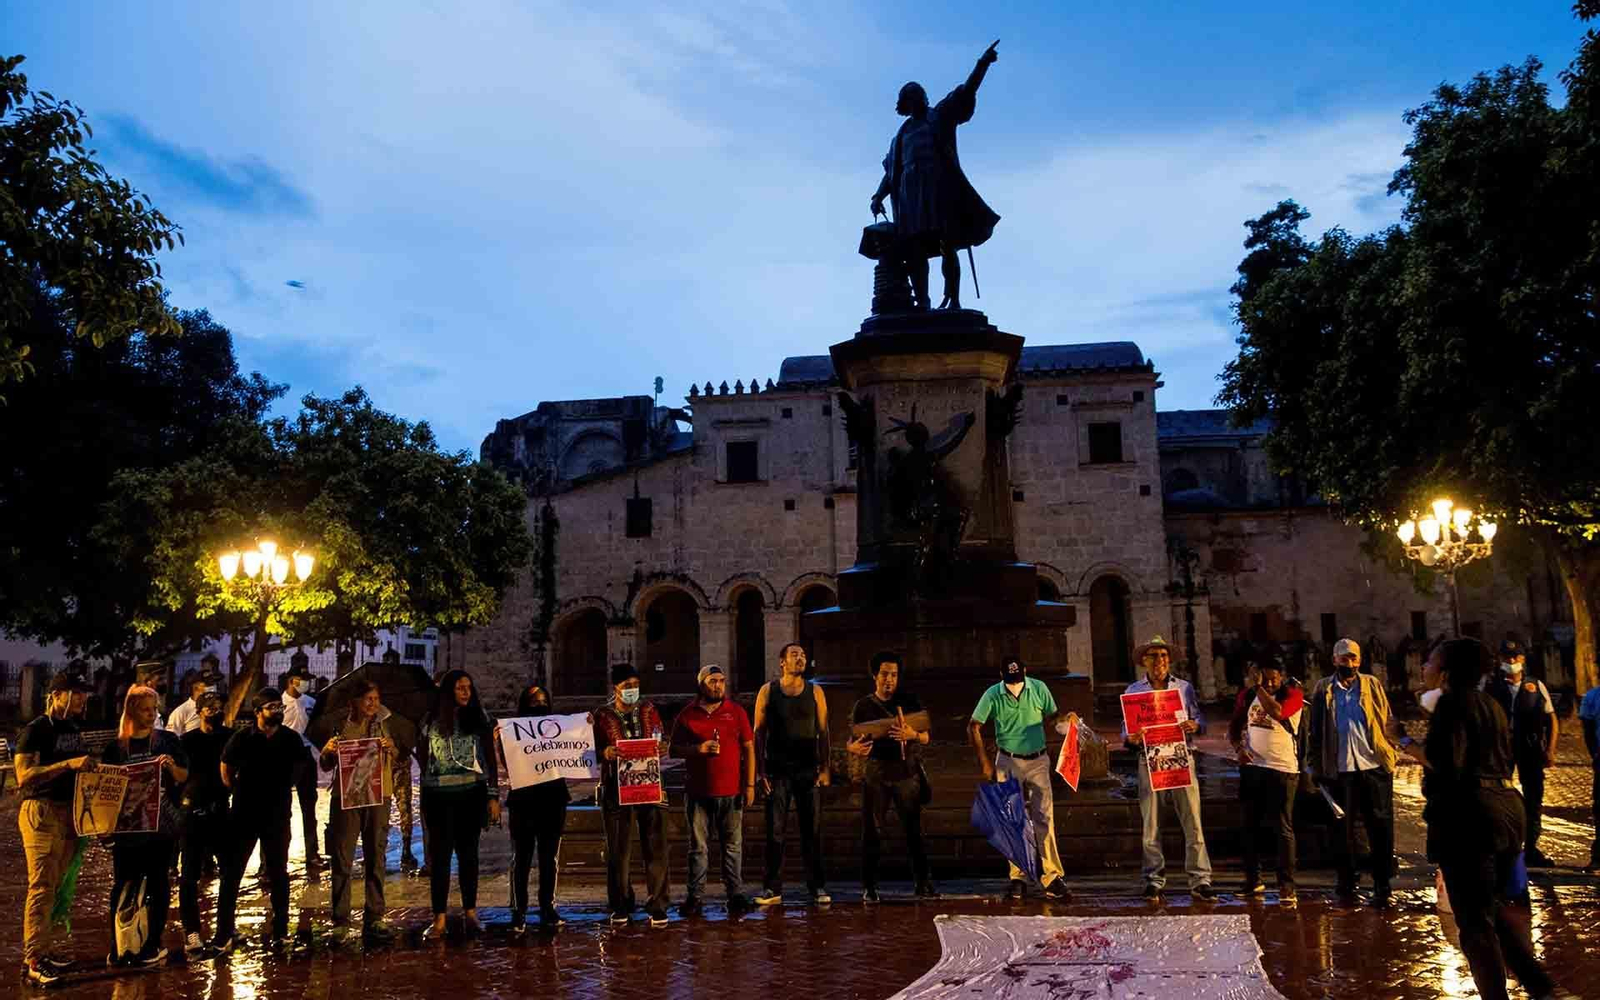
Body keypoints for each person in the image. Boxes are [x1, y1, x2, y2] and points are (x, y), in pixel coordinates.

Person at [1424, 638, 1560, 1000]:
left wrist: (1408, 746)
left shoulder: (1451, 704)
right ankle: (1540, 985)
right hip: (1505, 810)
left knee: (1474, 924)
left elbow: (1447, 766)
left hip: (1471, 818)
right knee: (1492, 911)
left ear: (1447, 671)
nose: (1425, 668)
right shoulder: (1492, 704)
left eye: (1431, 661)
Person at [869, 41, 1002, 311]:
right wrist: (878, 195)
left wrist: (982, 64)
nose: (917, 99)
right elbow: (892, 172)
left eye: (919, 94)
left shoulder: (939, 117)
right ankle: (924, 302)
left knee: (947, 244)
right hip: (909, 197)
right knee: (914, 251)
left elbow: (965, 93)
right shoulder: (900, 136)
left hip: (938, 189)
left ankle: (952, 297)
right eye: (911, 97)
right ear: (905, 104)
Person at [1306, 637, 1401, 907]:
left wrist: (1391, 751)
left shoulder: (1371, 685)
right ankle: (1346, 882)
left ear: (1360, 660)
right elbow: (1315, 731)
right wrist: (1315, 765)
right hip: (1340, 770)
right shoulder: (1324, 689)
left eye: (1354, 658)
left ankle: (1382, 884)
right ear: (1335, 660)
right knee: (1341, 830)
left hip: (1373, 766)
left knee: (1380, 826)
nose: (1350, 663)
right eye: (1344, 658)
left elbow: (1386, 718)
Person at [967, 656, 1072, 900]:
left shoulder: (1038, 688)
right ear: (1001, 676)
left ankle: (1052, 876)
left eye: (1018, 679)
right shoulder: (993, 694)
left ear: (1025, 672)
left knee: (1044, 816)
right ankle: (1018, 876)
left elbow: (1053, 717)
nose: (1014, 686)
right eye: (1010, 681)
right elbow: (973, 725)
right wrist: (984, 761)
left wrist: (1067, 722)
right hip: (1008, 760)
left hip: (1038, 759)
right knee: (1013, 819)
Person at [14, 673, 95, 987]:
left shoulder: (73, 728)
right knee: (42, 886)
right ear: (57, 694)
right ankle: (34, 959)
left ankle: (42, 952)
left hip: (69, 814)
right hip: (41, 811)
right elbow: (23, 776)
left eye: (83, 694)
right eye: (76, 694)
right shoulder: (36, 729)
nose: (81, 699)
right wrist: (68, 765)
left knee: (57, 885)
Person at [101, 685, 189, 967]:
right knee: (123, 885)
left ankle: (152, 943)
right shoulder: (116, 748)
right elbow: (107, 788)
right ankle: (121, 943)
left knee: (158, 882)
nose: (151, 715)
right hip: (128, 830)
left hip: (160, 827)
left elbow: (183, 776)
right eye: (145, 709)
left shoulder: (167, 740)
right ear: (131, 711)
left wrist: (171, 768)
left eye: (154, 709)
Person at [213, 688, 307, 953]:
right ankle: (223, 933)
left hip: (277, 814)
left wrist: (287, 784)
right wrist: (237, 791)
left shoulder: (291, 739)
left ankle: (280, 931)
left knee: (278, 873)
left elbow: (301, 767)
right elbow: (226, 768)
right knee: (232, 873)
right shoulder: (242, 738)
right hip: (244, 814)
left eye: (280, 706)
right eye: (271, 707)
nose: (278, 710)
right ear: (258, 712)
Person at [1122, 636, 1213, 900]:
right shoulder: (1133, 692)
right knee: (1151, 825)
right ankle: (1153, 878)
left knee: (1193, 822)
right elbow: (1125, 731)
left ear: (1168, 659)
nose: (1159, 660)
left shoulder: (1184, 688)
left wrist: (1194, 726)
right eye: (1153, 656)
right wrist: (1130, 738)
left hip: (1180, 757)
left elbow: (1199, 718)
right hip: (1149, 759)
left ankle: (1200, 880)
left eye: (1163, 655)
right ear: (1144, 662)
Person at [417, 668, 499, 940]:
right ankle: (438, 918)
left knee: (469, 856)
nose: (466, 692)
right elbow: (421, 758)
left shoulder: (479, 718)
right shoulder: (429, 720)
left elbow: (489, 758)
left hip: (470, 795)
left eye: (469, 687)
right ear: (448, 691)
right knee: (440, 858)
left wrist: (492, 796)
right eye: (460, 688)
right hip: (439, 798)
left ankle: (471, 913)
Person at [848, 651, 935, 902]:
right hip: (876, 773)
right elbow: (853, 740)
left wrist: (912, 735)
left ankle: (922, 883)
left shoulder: (909, 700)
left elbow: (926, 736)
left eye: (894, 675)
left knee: (914, 830)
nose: (889, 679)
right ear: (875, 676)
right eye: (885, 674)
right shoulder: (864, 705)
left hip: (906, 772)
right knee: (872, 831)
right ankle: (870, 887)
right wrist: (854, 748)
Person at [319, 678, 400, 944]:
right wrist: (328, 751)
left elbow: (397, 756)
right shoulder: (340, 726)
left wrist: (391, 748)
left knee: (375, 855)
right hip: (347, 799)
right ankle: (341, 920)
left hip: (379, 797)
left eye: (376, 699)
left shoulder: (383, 723)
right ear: (354, 701)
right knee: (342, 858)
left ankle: (374, 915)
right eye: (368, 699)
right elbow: (327, 763)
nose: (373, 704)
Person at [671, 664, 756, 915]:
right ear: (701, 684)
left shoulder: (736, 712)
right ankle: (695, 897)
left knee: (733, 846)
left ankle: (736, 894)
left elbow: (749, 748)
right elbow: (673, 750)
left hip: (731, 790)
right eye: (712, 681)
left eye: (721, 681)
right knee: (698, 847)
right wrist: (698, 750)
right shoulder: (688, 714)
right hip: (698, 791)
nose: (718, 685)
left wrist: (749, 784)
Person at [752, 642, 831, 907]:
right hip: (777, 771)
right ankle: (771, 888)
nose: (801, 658)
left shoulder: (816, 691)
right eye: (795, 655)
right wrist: (759, 770)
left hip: (808, 771)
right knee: (775, 832)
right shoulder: (768, 691)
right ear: (782, 662)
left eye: (804, 655)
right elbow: (758, 733)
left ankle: (817, 886)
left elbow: (824, 731)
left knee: (813, 831)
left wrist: (825, 768)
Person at [593, 663, 672, 925]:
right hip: (616, 789)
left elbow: (660, 738)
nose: (632, 690)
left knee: (656, 847)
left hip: (650, 786)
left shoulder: (649, 709)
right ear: (615, 687)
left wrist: (662, 747)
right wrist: (605, 753)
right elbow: (590, 750)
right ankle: (620, 903)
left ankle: (658, 903)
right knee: (619, 851)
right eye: (627, 686)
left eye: (636, 685)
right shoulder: (601, 716)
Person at [1228, 660, 1305, 901]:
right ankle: (1253, 880)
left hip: (1283, 769)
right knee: (1249, 827)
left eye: (1274, 679)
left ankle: (1286, 885)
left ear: (1282, 677)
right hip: (1253, 769)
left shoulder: (1293, 695)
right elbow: (1234, 726)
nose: (1270, 683)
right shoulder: (1246, 695)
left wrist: (1259, 688)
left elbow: (1277, 712)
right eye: (1265, 678)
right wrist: (1238, 748)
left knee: (1283, 828)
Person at [498, 684, 570, 932]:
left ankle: (547, 908)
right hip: (524, 802)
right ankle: (519, 910)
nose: (539, 704)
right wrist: (502, 741)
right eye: (533, 700)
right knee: (522, 859)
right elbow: (509, 764)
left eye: (542, 700)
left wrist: (585, 727)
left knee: (549, 858)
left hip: (553, 799)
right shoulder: (512, 732)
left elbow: (576, 748)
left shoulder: (558, 729)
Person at [1484, 640, 1559, 867]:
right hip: (1500, 750)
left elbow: (1551, 719)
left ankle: (1532, 848)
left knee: (1534, 798)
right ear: (1500, 660)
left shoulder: (1535, 685)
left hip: (1530, 748)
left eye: (1515, 657)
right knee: (1498, 796)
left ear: (1523, 660)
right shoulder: (1491, 687)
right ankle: (1502, 847)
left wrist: (1551, 749)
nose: (1511, 662)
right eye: (1507, 658)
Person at [177, 691, 231, 955]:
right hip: (192, 814)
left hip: (221, 811)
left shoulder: (230, 737)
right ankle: (192, 932)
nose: (215, 711)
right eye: (210, 708)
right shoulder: (186, 741)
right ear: (199, 711)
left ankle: (225, 929)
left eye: (219, 707)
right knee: (189, 876)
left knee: (229, 873)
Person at [280, 664, 323, 866]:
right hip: (284, 756)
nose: (305, 683)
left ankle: (312, 854)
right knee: (280, 809)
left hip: (305, 756)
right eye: (301, 679)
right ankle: (274, 858)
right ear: (291, 681)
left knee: (309, 807)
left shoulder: (311, 703)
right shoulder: (279, 703)